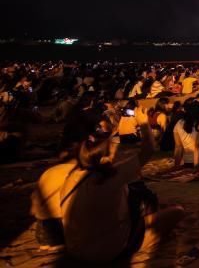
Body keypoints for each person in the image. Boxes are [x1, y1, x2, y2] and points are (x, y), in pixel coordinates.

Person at [58, 107, 186, 263]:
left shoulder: (70, 175)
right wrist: (144, 123)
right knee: (176, 212)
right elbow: (148, 150)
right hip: (109, 252)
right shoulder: (110, 175)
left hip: (77, 251)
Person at [172, 101, 199, 168]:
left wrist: (176, 166)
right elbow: (197, 147)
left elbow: (178, 147)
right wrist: (196, 167)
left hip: (187, 162)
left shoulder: (179, 122)